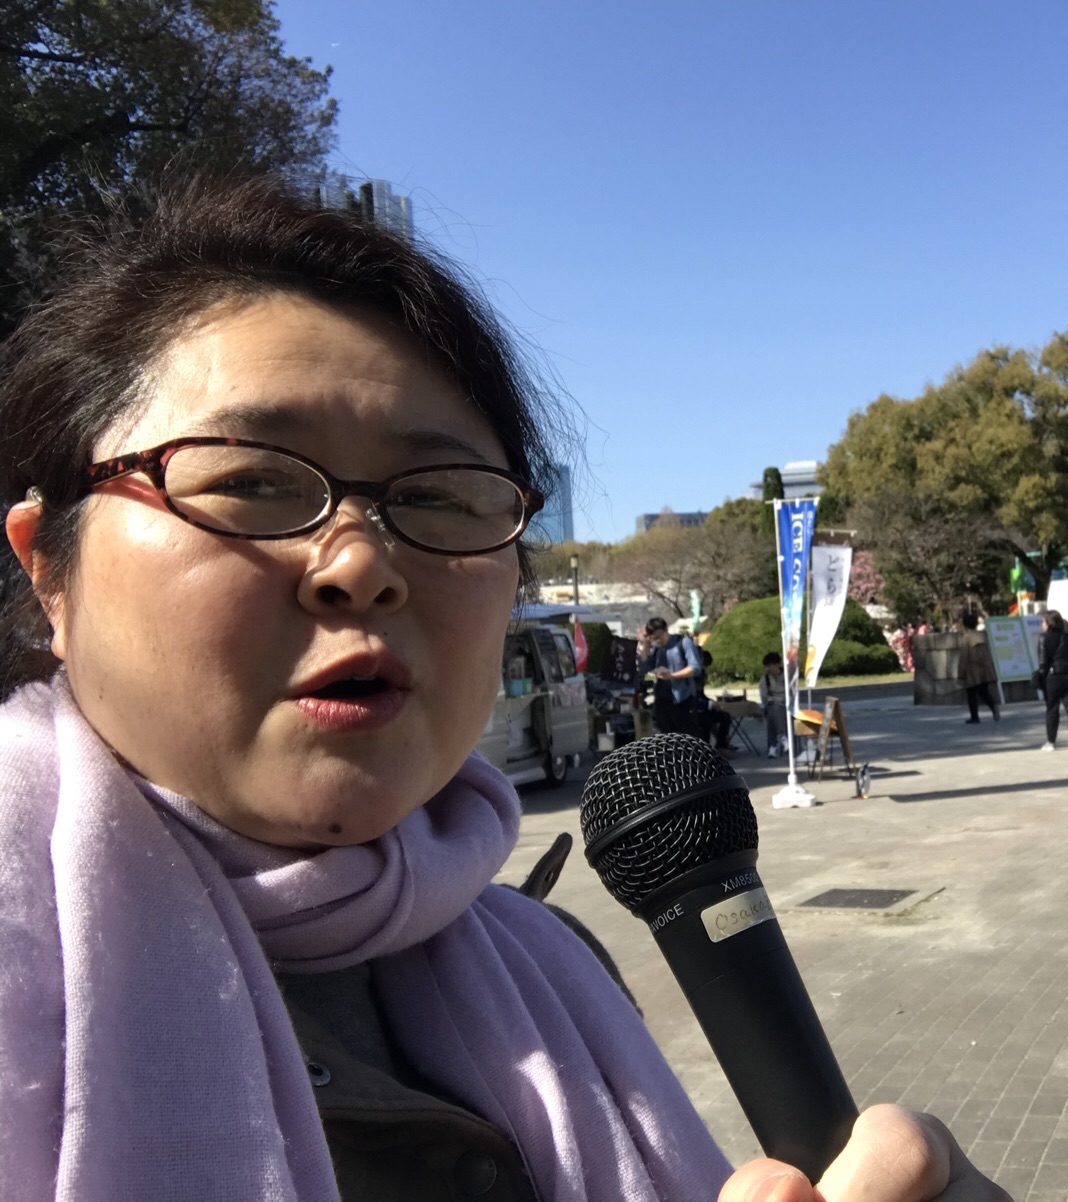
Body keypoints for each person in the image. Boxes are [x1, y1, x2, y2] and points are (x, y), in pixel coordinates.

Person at [0, 176, 1004, 1202]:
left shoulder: (554, 968)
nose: (361, 562)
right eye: (251, 479)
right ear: (49, 573)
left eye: (439, 497)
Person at [640, 615, 704, 736]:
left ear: (666, 629)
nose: (658, 640)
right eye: (654, 638)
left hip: (683, 699)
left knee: (688, 736)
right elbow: (645, 672)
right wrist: (646, 645)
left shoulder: (683, 643)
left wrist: (672, 676)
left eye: (659, 636)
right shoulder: (657, 650)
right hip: (662, 700)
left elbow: (695, 668)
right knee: (667, 738)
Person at [1036, 610, 1068, 753]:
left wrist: (1041, 679)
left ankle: (1051, 742)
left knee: (1052, 709)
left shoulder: (1043, 638)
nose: (1042, 624)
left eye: (1043, 622)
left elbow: (1043, 663)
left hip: (1052, 677)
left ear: (1049, 623)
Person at [957, 611, 1000, 723]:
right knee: (983, 691)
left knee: (971, 693)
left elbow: (964, 656)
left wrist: (961, 673)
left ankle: (974, 717)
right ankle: (993, 706)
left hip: (972, 670)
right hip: (984, 669)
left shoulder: (967, 637)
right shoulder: (983, 635)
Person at [759, 651, 787, 757]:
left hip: (785, 706)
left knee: (772, 716)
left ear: (778, 665)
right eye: (766, 667)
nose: (768, 669)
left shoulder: (787, 677)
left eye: (770, 666)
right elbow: (764, 697)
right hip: (771, 706)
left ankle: (772, 746)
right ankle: (783, 737)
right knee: (774, 709)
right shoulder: (765, 679)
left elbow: (791, 694)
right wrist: (776, 700)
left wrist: (779, 700)